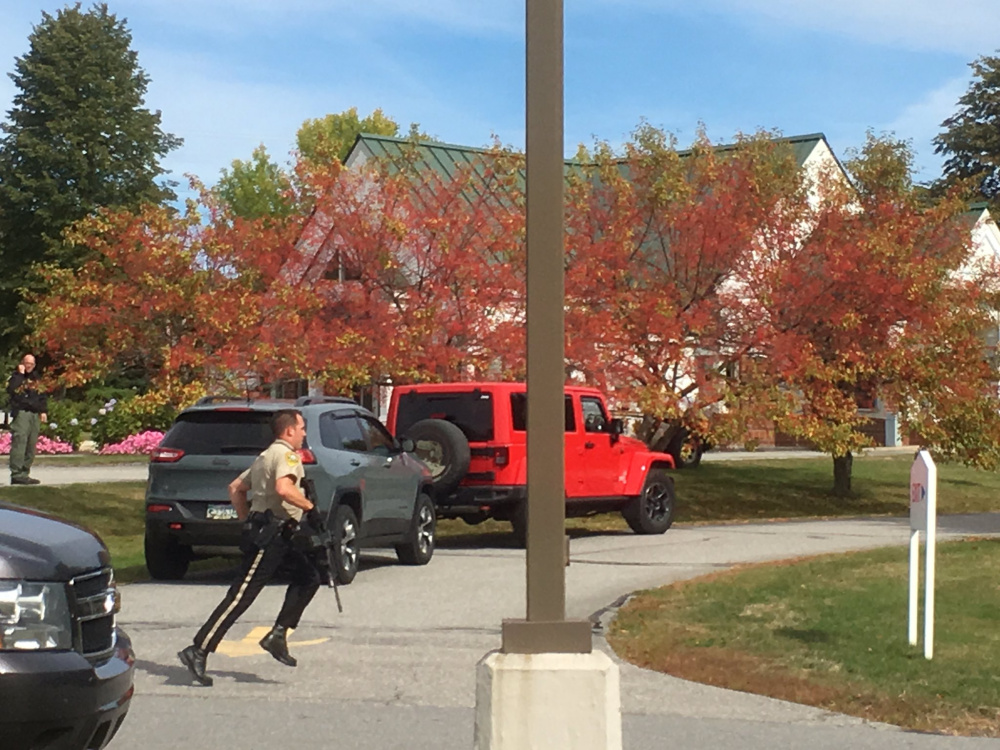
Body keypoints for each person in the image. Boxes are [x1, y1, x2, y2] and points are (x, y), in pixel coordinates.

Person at [178, 409, 322, 686]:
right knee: (241, 596)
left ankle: (278, 635)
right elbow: (283, 488)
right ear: (289, 430)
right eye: (302, 428)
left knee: (309, 577)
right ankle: (198, 649)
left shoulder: (265, 456)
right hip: (271, 535)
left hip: (280, 534)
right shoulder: (286, 455)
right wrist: (310, 507)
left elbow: (236, 488)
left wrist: (248, 520)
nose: (304, 433)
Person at [6, 354, 47, 485]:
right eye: (27, 363)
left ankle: (25, 473)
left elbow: (42, 395)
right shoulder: (16, 377)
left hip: (34, 414)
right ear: (22, 363)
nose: (29, 366)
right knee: (20, 441)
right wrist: (20, 374)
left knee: (31, 444)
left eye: (32, 364)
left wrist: (43, 410)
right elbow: (12, 390)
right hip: (22, 413)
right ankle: (17, 474)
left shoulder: (36, 379)